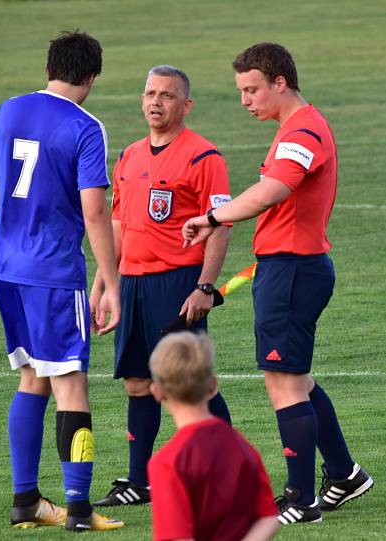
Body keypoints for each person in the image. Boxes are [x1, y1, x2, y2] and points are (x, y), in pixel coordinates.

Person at [182, 42, 373, 524]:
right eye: (241, 91)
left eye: (252, 89)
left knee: (283, 383)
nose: (245, 100)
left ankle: (301, 499)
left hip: (292, 269)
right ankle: (345, 474)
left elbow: (274, 190)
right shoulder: (294, 127)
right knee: (298, 380)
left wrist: (212, 216)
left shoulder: (303, 129)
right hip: (288, 268)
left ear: (280, 82)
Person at [0, 31, 123, 532]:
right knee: (71, 381)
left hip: (6, 270)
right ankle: (79, 510)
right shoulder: (85, 126)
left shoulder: (6, 110)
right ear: (91, 77)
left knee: (32, 377)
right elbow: (96, 212)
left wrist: (6, 248)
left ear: (50, 67)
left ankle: (26, 502)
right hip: (54, 275)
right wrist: (111, 277)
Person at [91, 65, 234, 507]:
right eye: (150, 93)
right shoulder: (129, 156)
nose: (156, 102)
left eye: (167, 95)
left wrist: (205, 287)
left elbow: (222, 225)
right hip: (132, 282)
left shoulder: (204, 157)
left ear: (186, 105)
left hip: (177, 284)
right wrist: (103, 284)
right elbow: (118, 224)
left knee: (190, 382)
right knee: (137, 382)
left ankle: (227, 471)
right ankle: (139, 480)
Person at [148, 332, 279, 541]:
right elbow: (269, 517)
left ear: (157, 392)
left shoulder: (167, 462)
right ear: (213, 386)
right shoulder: (240, 444)